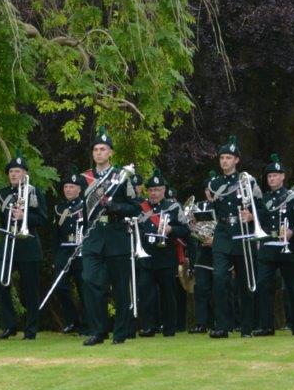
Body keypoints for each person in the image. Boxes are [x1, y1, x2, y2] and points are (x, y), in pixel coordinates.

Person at [81, 127, 141, 346]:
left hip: (116, 236)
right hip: (93, 237)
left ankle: (120, 332)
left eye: (103, 149)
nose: (99, 153)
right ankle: (98, 331)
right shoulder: (84, 178)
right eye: (96, 149)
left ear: (110, 153)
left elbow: (136, 207)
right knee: (90, 281)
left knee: (120, 287)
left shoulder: (121, 176)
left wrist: (115, 207)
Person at [204, 136, 262, 339]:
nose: (225, 161)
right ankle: (222, 326)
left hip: (242, 232)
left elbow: (261, 207)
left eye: (229, 157)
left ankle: (247, 326)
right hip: (222, 233)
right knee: (219, 278)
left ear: (237, 160)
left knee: (245, 282)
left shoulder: (247, 180)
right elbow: (212, 211)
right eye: (222, 158)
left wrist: (252, 216)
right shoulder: (214, 184)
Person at [253, 154, 294, 336]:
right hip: (268, 248)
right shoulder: (264, 199)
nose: (272, 179)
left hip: (289, 249)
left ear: (283, 177)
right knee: (263, 286)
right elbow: (260, 220)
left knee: (293, 289)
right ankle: (267, 326)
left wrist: (293, 232)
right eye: (269, 176)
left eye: (275, 175)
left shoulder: (293, 197)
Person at [0, 152, 48, 340]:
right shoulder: (2, 193)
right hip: (9, 242)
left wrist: (24, 216)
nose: (13, 174)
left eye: (17, 171)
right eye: (11, 171)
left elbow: (42, 218)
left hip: (28, 244)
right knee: (1, 283)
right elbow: (2, 219)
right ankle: (9, 326)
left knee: (30, 289)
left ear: (25, 173)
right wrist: (13, 217)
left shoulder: (34, 192)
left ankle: (31, 329)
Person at [135, 168, 190, 337]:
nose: (154, 193)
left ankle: (169, 328)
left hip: (166, 256)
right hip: (147, 256)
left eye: (158, 190)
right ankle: (149, 326)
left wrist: (171, 228)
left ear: (164, 190)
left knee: (168, 294)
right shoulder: (141, 207)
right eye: (151, 190)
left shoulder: (173, 206)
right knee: (146, 293)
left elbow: (186, 230)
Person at [48, 169, 88, 334]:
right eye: (66, 187)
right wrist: (54, 257)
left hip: (82, 251)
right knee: (61, 287)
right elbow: (54, 234)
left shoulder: (85, 206)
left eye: (72, 187)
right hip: (64, 250)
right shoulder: (59, 208)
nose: (68, 190)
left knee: (83, 288)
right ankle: (72, 320)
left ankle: (87, 324)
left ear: (79, 189)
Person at [188, 175, 218, 334]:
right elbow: (192, 230)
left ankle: (222, 322)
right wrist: (192, 226)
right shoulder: (199, 206)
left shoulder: (224, 206)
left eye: (213, 189)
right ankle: (201, 323)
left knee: (220, 290)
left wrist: (216, 240)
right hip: (203, 254)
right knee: (201, 290)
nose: (210, 192)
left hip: (220, 253)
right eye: (207, 189)